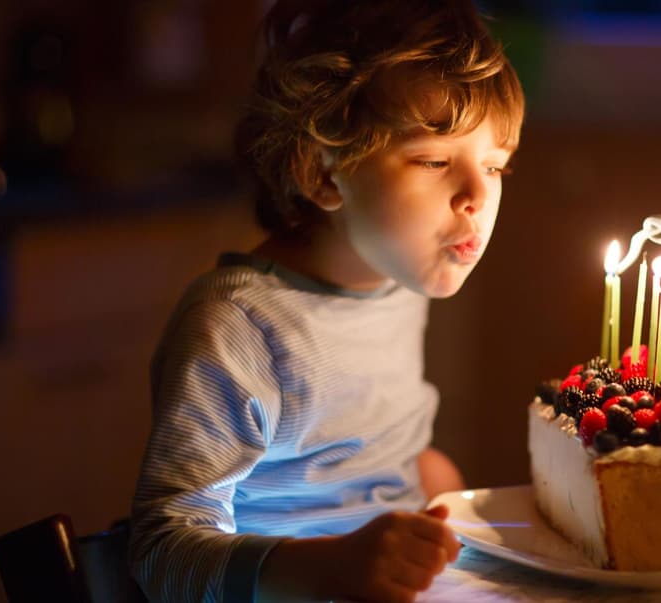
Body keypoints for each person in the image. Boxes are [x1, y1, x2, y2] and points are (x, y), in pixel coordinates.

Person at [127, 1, 524, 601]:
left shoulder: (397, 284)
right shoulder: (238, 327)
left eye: (495, 167)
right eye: (434, 160)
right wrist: (324, 567)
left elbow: (344, 453)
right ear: (323, 173)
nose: (475, 196)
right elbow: (160, 555)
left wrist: (419, 475)